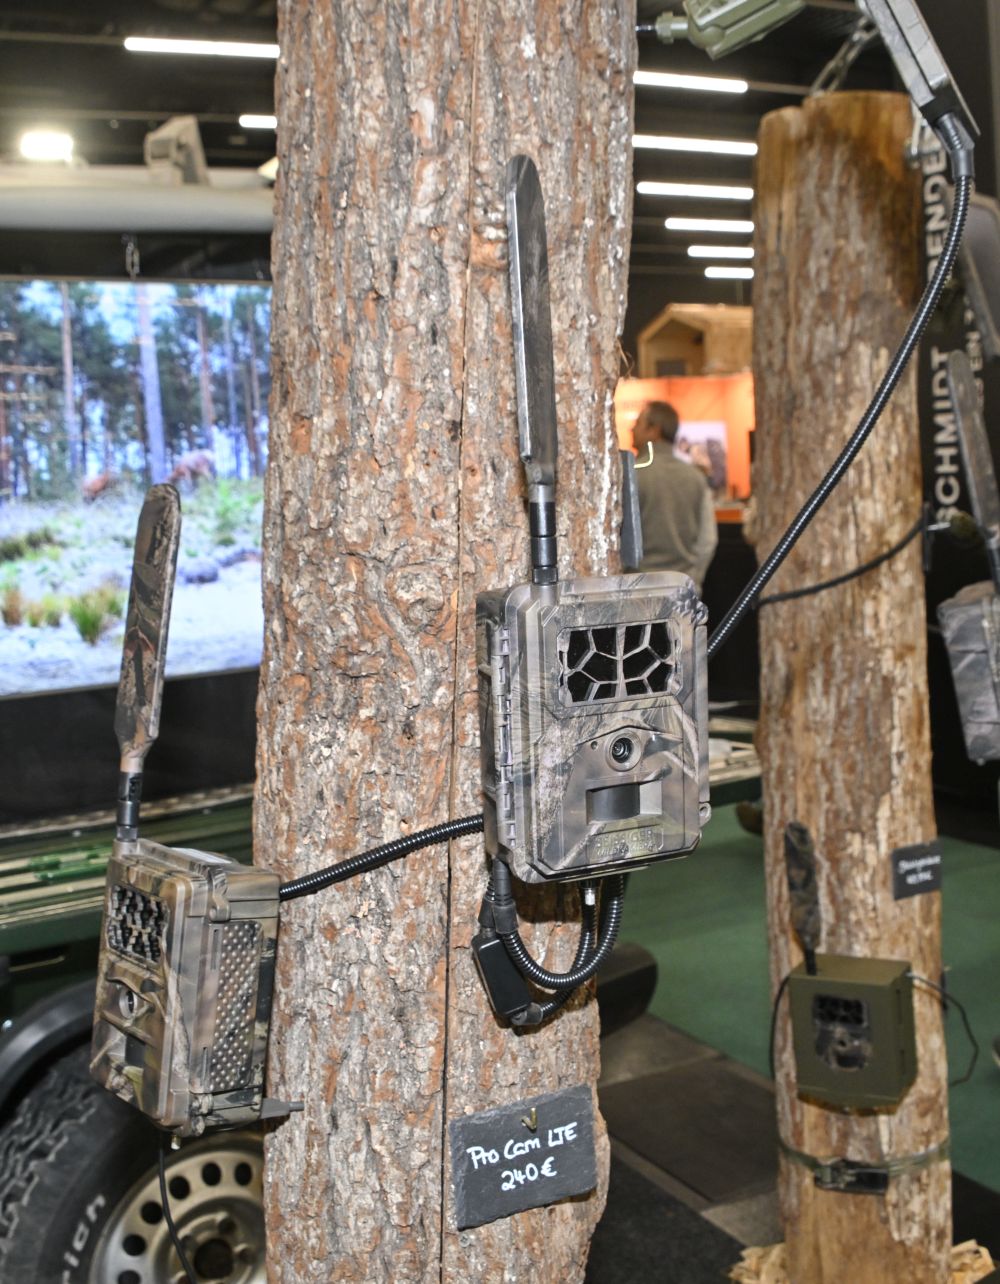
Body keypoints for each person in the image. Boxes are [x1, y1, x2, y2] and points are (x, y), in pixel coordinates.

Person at [632, 400, 718, 591]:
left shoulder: (632, 475)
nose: (632, 429)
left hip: (637, 590)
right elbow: (707, 540)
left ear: (654, 430)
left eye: (638, 423)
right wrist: (693, 578)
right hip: (682, 588)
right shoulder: (695, 477)